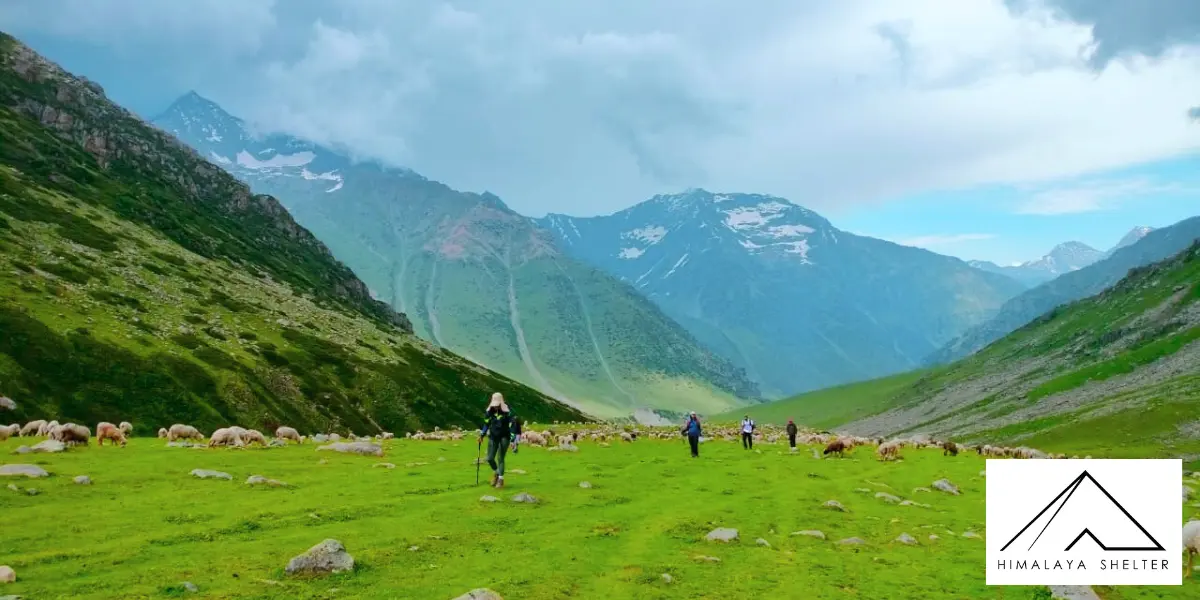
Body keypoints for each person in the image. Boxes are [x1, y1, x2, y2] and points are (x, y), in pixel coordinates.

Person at [479, 392, 513, 488]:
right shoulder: (489, 412)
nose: (496, 407)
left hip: (504, 436)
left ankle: (500, 479)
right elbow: (486, 424)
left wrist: (514, 438)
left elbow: (512, 423)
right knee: (489, 458)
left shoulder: (508, 411)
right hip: (493, 436)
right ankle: (496, 472)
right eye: (494, 405)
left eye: (497, 405)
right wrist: (482, 434)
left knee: (500, 458)